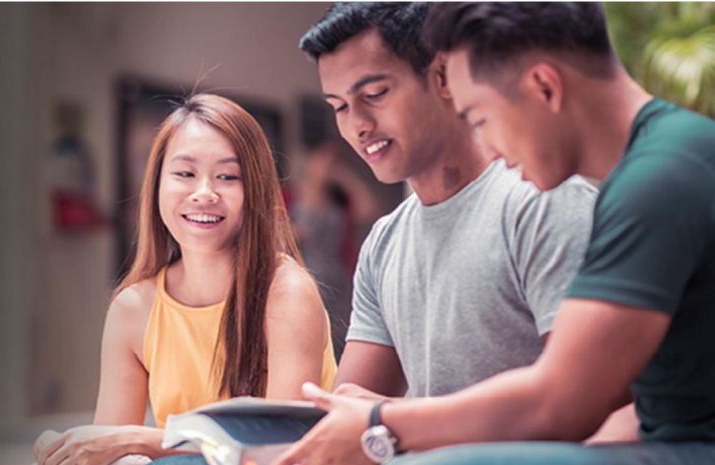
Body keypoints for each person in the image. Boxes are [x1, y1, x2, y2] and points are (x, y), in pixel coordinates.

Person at [272, 2, 715, 465]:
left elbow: (566, 404)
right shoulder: (654, 170)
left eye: (480, 117)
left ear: (544, 85)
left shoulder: (659, 178)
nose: (495, 151)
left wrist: (384, 424)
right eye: (339, 107)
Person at [294, 0, 595, 404]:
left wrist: (392, 419)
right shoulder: (385, 244)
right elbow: (348, 409)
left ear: (443, 75)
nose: (358, 125)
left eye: (374, 94)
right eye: (340, 107)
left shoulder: (543, 203)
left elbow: (584, 401)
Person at [33, 93, 337, 465]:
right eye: (185, 173)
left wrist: (138, 439)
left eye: (227, 176)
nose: (204, 193)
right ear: (157, 184)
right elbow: (106, 451)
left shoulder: (287, 293)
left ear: (255, 191)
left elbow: (282, 450)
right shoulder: (133, 309)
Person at [290, 138, 381, 360]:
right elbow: (274, 237)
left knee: (342, 342)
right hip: (305, 280)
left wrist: (344, 177)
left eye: (334, 162)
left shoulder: (340, 201)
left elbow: (369, 210)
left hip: (339, 282)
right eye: (325, 160)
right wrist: (295, 233)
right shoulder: (291, 196)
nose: (328, 166)